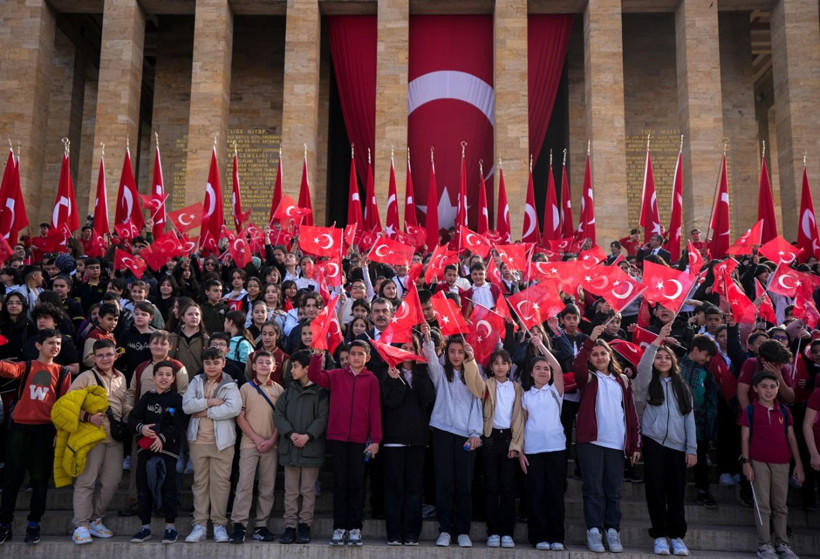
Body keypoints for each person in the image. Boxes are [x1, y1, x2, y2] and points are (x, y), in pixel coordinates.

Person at [573, 324, 641, 554]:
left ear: (610, 356)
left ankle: (612, 531)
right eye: (595, 354)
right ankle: (593, 530)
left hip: (616, 444)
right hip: (591, 442)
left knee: (613, 490)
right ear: (591, 358)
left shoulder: (622, 380)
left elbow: (631, 413)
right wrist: (591, 339)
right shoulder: (588, 378)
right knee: (593, 489)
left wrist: (635, 443)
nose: (599, 357)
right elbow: (577, 365)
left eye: (603, 353)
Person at [0, 329, 71, 545]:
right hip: (19, 430)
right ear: (39, 346)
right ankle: (4, 524)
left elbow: (63, 406)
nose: (55, 347)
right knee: (11, 479)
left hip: (45, 431)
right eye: (51, 342)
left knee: (40, 481)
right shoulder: (27, 366)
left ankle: (34, 523)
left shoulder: (63, 372)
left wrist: (59, 433)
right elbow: (8, 369)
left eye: (58, 343)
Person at [307, 340, 381, 546]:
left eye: (360, 354)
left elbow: (375, 411)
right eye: (352, 354)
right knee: (340, 485)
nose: (355, 358)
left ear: (368, 357)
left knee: (357, 485)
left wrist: (375, 440)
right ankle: (339, 528)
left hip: (360, 442)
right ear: (347, 357)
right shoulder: (337, 375)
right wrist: (317, 355)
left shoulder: (372, 380)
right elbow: (315, 376)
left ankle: (355, 527)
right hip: (338, 439)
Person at [637, 324, 697, 556]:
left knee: (676, 494)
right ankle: (660, 535)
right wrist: (657, 341)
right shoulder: (648, 383)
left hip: (678, 446)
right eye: (658, 357)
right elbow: (642, 366)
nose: (662, 360)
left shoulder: (683, 388)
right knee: (655, 491)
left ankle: (677, 536)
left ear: (673, 362)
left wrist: (691, 448)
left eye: (666, 357)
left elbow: (689, 419)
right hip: (654, 443)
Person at [420, 323, 483, 548]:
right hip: (443, 433)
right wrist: (428, 339)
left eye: (460, 351)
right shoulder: (440, 374)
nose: (456, 356)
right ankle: (445, 529)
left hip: (467, 436)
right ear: (447, 352)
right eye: (452, 351)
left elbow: (479, 403)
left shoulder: (474, 375)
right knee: (444, 483)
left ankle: (463, 530)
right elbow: (430, 360)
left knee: (464, 484)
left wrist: (476, 433)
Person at [68, 339, 132, 544]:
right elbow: (68, 405)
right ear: (94, 358)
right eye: (101, 355)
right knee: (86, 481)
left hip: (114, 437)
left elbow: (124, 405)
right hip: (91, 436)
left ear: (115, 356)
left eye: (109, 355)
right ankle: (81, 525)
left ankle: (96, 519)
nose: (105, 358)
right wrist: (87, 417)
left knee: (112, 481)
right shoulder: (85, 377)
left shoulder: (121, 377)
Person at [740, 370, 805, 559]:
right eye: (763, 386)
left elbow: (792, 439)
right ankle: (764, 545)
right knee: (762, 504)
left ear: (778, 389)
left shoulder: (784, 411)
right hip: (758, 461)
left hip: (782, 462)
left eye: (772, 387)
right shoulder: (750, 410)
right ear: (755, 389)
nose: (768, 391)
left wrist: (798, 464)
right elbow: (745, 437)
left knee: (780, 505)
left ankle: (783, 544)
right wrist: (746, 462)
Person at [465, 348, 524, 549]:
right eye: (496, 363)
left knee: (507, 487)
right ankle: (493, 532)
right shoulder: (487, 385)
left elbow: (519, 419)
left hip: (509, 438)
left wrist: (516, 444)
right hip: (490, 438)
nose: (500, 366)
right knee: (491, 486)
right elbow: (474, 385)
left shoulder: (517, 388)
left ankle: (507, 532)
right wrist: (471, 359)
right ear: (491, 367)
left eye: (504, 363)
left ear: (509, 366)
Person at [182, 347, 242, 543]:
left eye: (216, 362)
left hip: (222, 443)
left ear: (223, 363)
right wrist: (211, 402)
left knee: (221, 484)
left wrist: (205, 411)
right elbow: (187, 405)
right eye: (207, 362)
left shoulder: (230, 384)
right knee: (200, 483)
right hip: (198, 440)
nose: (211, 366)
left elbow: (233, 408)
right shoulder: (196, 381)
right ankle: (199, 524)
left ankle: (219, 525)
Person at [380, 336, 435, 546]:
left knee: (414, 489)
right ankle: (394, 533)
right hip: (394, 441)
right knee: (394, 488)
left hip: (417, 441)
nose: (408, 351)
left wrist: (420, 371)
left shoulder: (423, 374)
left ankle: (412, 533)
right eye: (404, 348)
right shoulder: (388, 374)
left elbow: (427, 398)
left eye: (412, 348)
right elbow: (390, 402)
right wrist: (396, 381)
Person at [126, 360, 187, 544]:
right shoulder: (147, 398)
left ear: (173, 378)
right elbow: (132, 419)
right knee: (143, 487)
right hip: (145, 448)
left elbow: (180, 425)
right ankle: (145, 527)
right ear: (153, 377)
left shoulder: (177, 399)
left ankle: (170, 527)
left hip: (168, 450)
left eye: (168, 374)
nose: (164, 378)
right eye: (160, 374)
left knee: (169, 488)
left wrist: (162, 438)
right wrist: (141, 427)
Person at [274, 350, 329, 545]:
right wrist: (290, 434)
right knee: (290, 491)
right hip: (290, 448)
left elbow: (322, 418)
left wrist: (308, 436)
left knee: (307, 490)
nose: (292, 370)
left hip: (310, 449)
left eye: (295, 366)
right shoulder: (288, 391)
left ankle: (304, 525)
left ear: (307, 369)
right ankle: (290, 526)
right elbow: (278, 415)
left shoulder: (320, 392)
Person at [230, 351, 283, 544]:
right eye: (259, 362)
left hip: (271, 445)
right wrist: (256, 438)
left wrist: (271, 440)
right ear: (253, 366)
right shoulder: (245, 388)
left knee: (267, 487)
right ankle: (239, 524)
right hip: (249, 444)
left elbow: (281, 419)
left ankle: (261, 524)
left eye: (267, 362)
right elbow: (240, 417)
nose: (263, 365)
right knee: (244, 484)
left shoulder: (279, 390)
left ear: (274, 367)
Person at [518, 354, 566, 550]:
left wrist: (541, 347)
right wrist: (520, 452)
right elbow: (522, 424)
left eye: (545, 368)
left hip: (556, 448)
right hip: (533, 450)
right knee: (536, 494)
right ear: (531, 373)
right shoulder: (526, 396)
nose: (542, 371)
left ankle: (557, 537)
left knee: (555, 494)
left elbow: (559, 369)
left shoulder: (556, 391)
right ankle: (538, 537)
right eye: (538, 368)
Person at [679, 335, 719, 508]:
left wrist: (710, 428)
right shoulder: (676, 366)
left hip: (699, 425)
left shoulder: (707, 374)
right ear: (695, 350)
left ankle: (703, 491)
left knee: (699, 458)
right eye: (706, 355)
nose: (707, 359)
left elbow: (711, 402)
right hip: (676, 423)